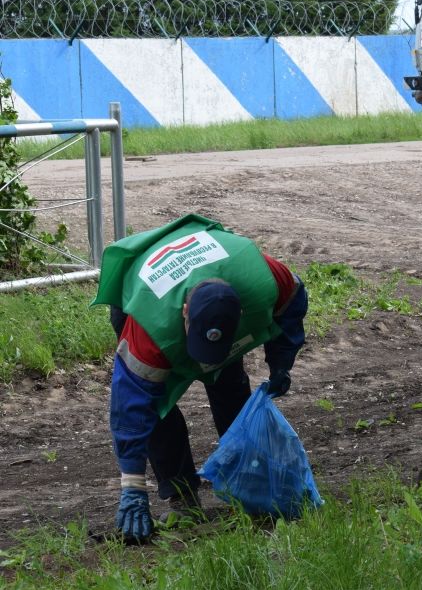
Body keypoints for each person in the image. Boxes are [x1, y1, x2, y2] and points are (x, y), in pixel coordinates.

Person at [92, 214, 308, 542]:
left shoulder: (262, 281)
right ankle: (182, 496)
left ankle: (250, 482)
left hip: (216, 290)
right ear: (184, 314)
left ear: (240, 314)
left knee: (229, 383)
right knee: (156, 407)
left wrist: (281, 364)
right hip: (141, 296)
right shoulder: (149, 331)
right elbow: (129, 408)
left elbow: (294, 301)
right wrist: (132, 487)